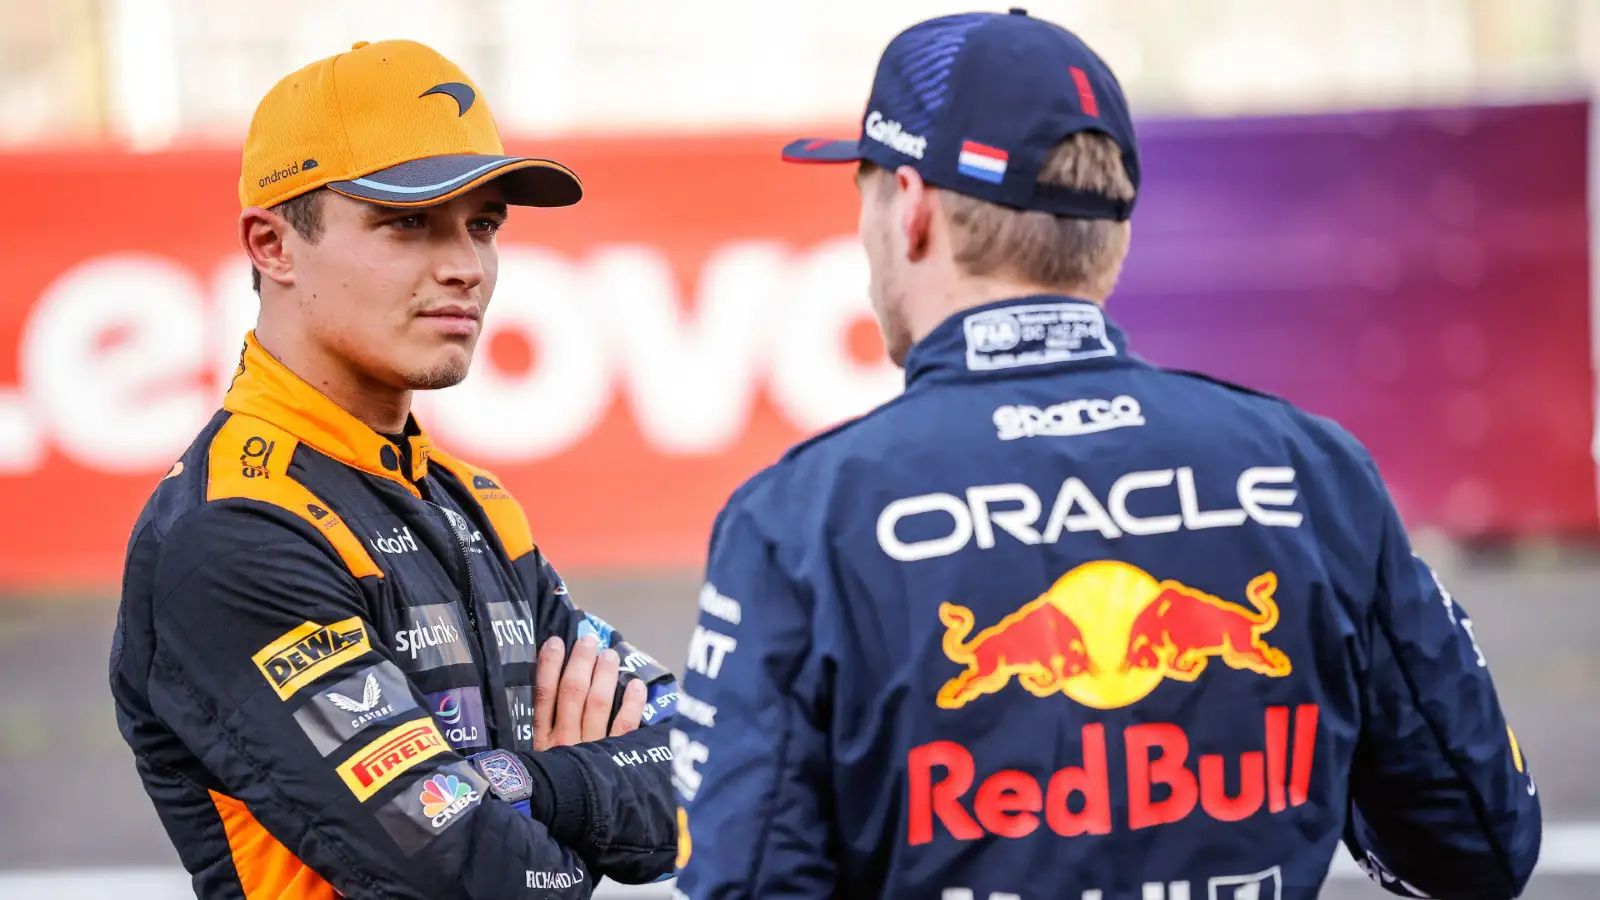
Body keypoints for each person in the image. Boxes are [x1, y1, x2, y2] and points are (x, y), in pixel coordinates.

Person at [669, 9, 1542, 899]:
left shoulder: (801, 520)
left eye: (864, 194)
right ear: (1111, 234)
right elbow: (1477, 843)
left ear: (915, 210)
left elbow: (746, 883)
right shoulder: (1314, 474)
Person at [109, 39, 679, 899]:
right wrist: (570, 793)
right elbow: (477, 879)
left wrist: (530, 784)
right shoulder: (233, 533)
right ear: (273, 245)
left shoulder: (476, 504)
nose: (466, 265)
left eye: (483, 225)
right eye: (408, 221)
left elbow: (710, 774)